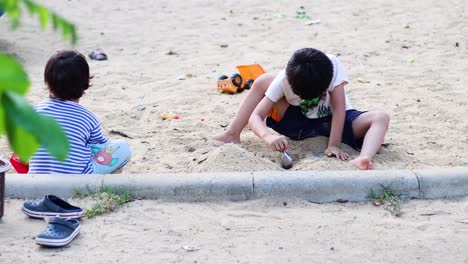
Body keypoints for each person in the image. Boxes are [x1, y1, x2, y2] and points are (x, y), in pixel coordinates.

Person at [214, 48, 390, 170]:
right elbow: (256, 116)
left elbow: (339, 109)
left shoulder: (332, 66)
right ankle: (232, 133)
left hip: (336, 124)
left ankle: (364, 158)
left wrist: (334, 145)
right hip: (298, 124)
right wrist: (268, 137)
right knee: (262, 81)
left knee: (381, 117)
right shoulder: (283, 80)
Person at [28, 50, 131, 174]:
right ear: (85, 84)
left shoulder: (35, 111)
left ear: (49, 85)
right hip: (79, 181)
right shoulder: (88, 117)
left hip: (37, 178)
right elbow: (100, 146)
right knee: (121, 147)